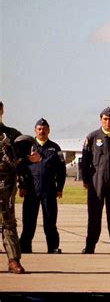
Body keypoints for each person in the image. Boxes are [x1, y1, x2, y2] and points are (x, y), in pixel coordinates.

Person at [81, 107, 110, 254]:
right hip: (96, 182)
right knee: (94, 215)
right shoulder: (92, 137)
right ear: (101, 120)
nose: (108, 121)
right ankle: (90, 245)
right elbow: (85, 161)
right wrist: (86, 180)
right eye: (105, 119)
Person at [19, 118, 66, 254]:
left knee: (50, 221)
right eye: (39, 129)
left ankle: (53, 247)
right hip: (31, 189)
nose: (42, 131)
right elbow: (21, 168)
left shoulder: (55, 148)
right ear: (35, 130)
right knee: (28, 221)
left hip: (49, 189)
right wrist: (22, 185)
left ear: (49, 130)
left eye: (44, 129)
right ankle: (25, 247)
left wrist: (60, 188)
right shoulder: (27, 147)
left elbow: (61, 169)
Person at [0, 101, 34, 273]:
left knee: (8, 223)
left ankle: (13, 260)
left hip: (5, 187)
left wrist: (31, 158)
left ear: (2, 111)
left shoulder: (12, 135)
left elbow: (24, 159)